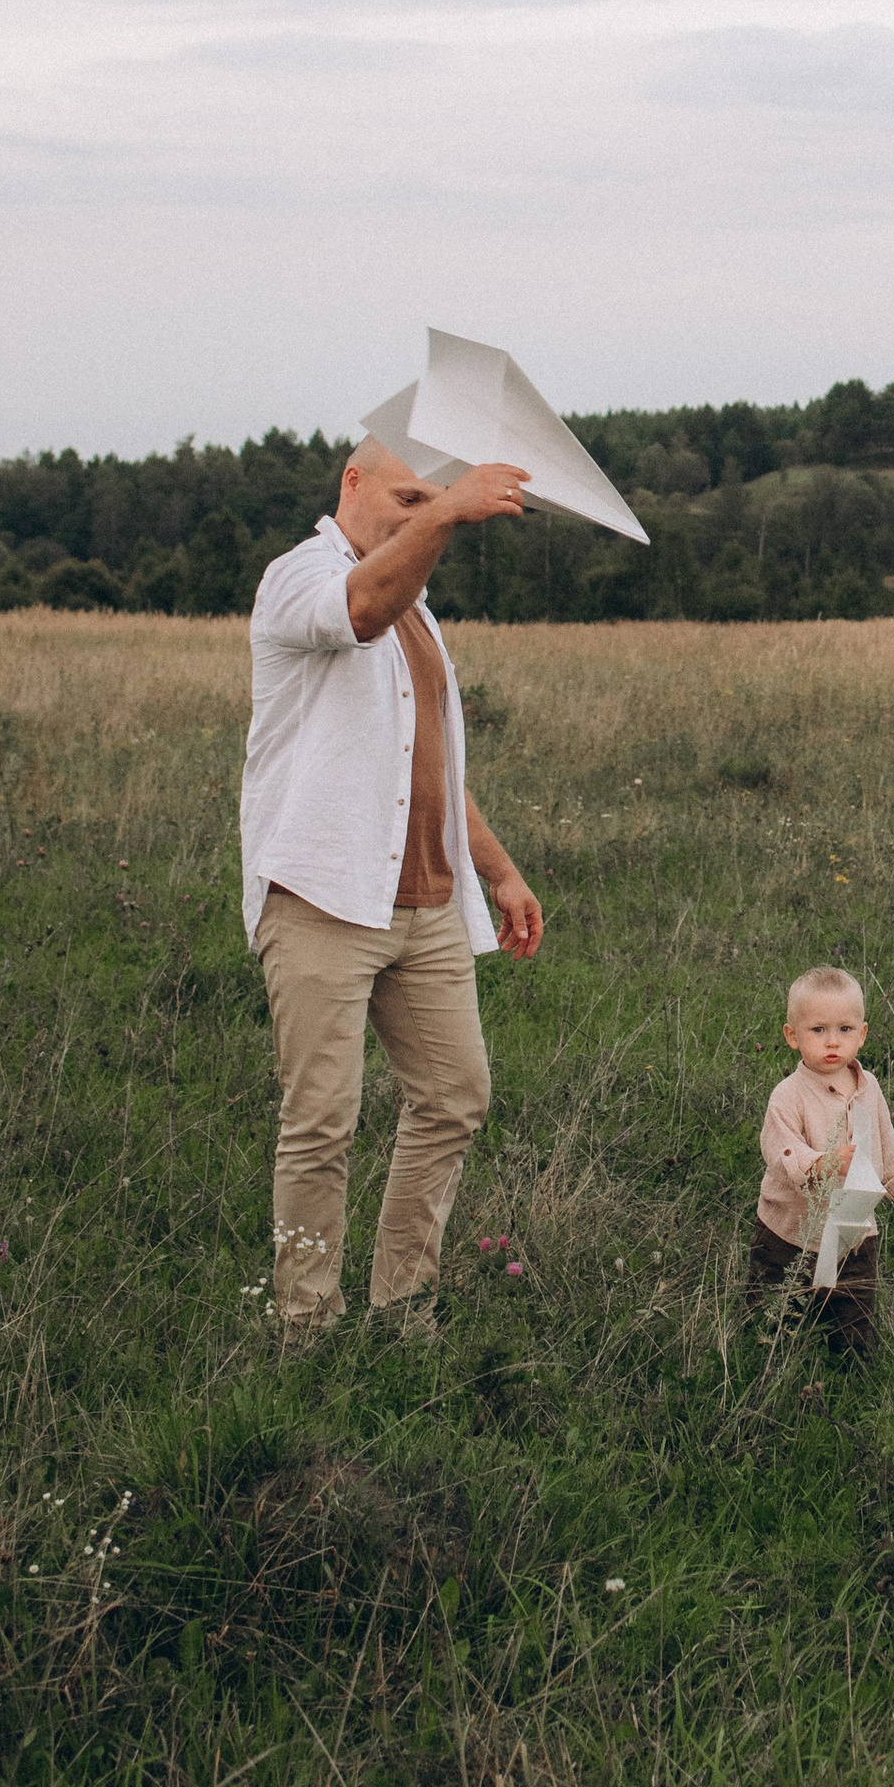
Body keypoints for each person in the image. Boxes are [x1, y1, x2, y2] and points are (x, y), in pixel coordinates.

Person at [240, 436, 546, 1331]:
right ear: (353, 481)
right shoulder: (300, 577)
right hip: (322, 899)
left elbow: (433, 763)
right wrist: (451, 509)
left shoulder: (422, 612)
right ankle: (306, 1326)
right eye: (405, 499)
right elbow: (361, 610)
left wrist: (500, 870)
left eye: (429, 504)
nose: (419, 517)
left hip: (427, 901)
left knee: (455, 1098)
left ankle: (402, 1306)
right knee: (321, 1124)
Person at [749, 964, 894, 1355]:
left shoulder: (868, 1086)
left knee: (852, 1309)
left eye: (844, 1030)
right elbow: (782, 1153)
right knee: (776, 1311)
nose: (832, 1042)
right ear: (792, 1036)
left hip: (853, 1231)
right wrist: (823, 1165)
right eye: (818, 1030)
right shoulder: (788, 1096)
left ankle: (850, 1373)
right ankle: (769, 1360)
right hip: (789, 1233)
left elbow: (885, 1146)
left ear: (862, 1035)